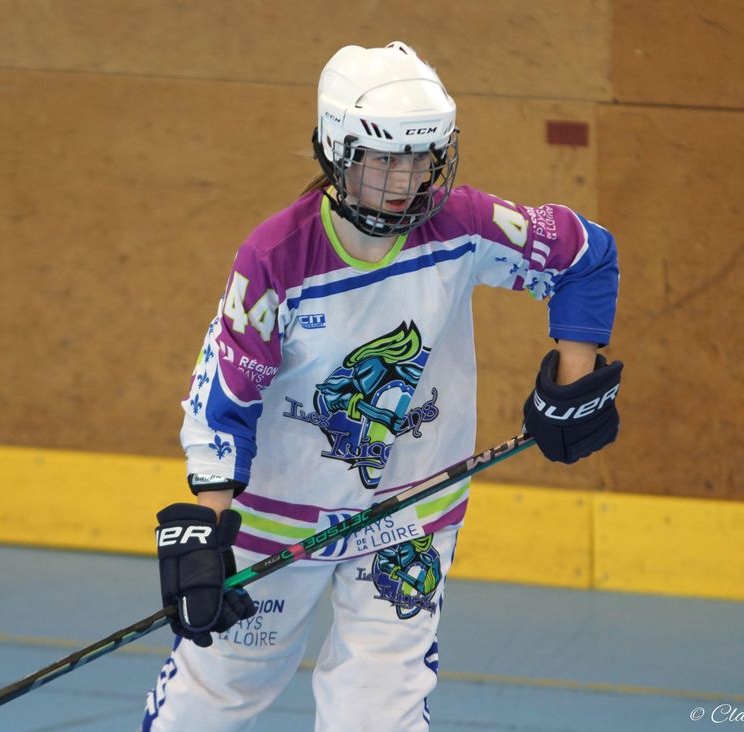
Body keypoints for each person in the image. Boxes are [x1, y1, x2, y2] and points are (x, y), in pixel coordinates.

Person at [142, 41, 622, 732]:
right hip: (278, 516)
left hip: (409, 512)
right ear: (339, 152)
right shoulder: (276, 257)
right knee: (212, 700)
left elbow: (585, 254)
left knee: (378, 715)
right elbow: (226, 397)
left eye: (423, 157)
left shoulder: (464, 225)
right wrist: (209, 532)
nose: (408, 179)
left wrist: (575, 381)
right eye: (385, 159)